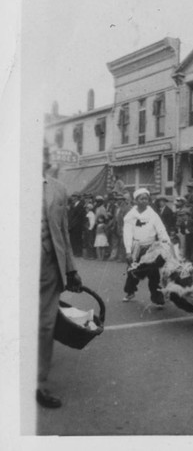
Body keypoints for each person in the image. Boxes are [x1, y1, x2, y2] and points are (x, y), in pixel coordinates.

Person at [38, 144, 83, 408]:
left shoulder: (59, 189)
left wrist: (71, 269)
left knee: (44, 326)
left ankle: (38, 384)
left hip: (48, 266)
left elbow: (63, 233)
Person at [122, 188, 170, 307]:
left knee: (153, 274)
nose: (144, 201)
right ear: (135, 200)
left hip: (151, 249)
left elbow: (161, 230)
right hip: (136, 248)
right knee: (133, 271)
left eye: (146, 199)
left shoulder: (153, 215)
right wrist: (128, 251)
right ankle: (130, 291)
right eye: (141, 199)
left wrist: (166, 244)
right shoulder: (130, 216)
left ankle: (157, 298)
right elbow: (127, 233)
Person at [67, 192, 86, 257]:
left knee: (78, 239)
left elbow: (80, 217)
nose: (73, 198)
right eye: (73, 197)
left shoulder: (81, 205)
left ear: (78, 198)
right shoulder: (73, 205)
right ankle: (75, 252)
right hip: (72, 226)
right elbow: (70, 216)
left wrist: (73, 224)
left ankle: (79, 252)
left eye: (74, 197)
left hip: (78, 226)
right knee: (73, 239)